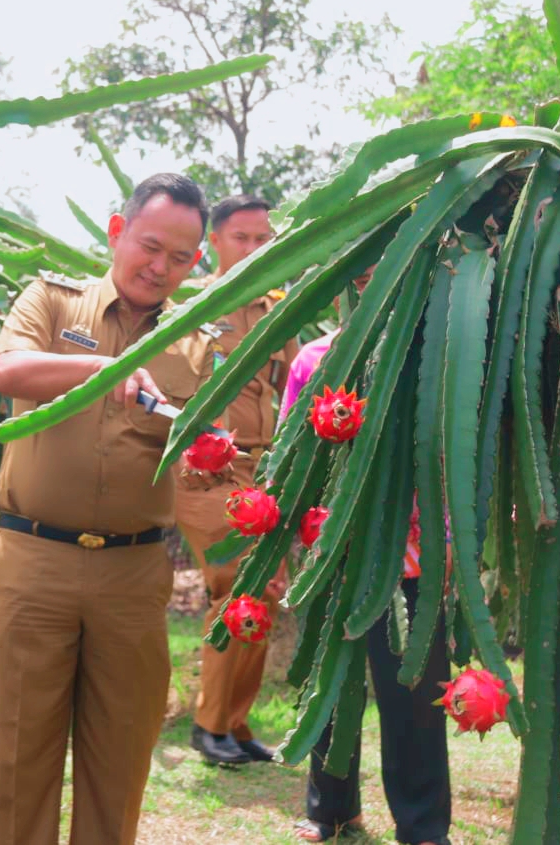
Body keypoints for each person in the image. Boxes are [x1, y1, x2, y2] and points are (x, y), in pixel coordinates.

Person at [0, 173, 220, 845]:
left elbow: (211, 448)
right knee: (17, 754)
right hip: (34, 561)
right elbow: (9, 370)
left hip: (134, 573)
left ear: (195, 261)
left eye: (179, 258)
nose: (160, 267)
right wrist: (103, 372)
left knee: (117, 766)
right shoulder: (54, 302)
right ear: (118, 232)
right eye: (149, 246)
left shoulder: (198, 343)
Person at [283, 279, 453, 845]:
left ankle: (423, 825)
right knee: (331, 689)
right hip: (334, 551)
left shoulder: (435, 356)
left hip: (413, 556)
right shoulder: (313, 361)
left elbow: (453, 452)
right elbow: (291, 457)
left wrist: (449, 536)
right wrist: (295, 547)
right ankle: (331, 809)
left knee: (415, 697)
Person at [174, 194, 299, 766]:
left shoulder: (282, 310)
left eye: (263, 239)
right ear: (214, 244)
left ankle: (235, 724)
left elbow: (292, 389)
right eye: (241, 238)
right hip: (203, 471)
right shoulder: (188, 304)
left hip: (262, 467)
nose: (253, 249)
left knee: (264, 590)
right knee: (235, 579)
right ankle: (208, 726)